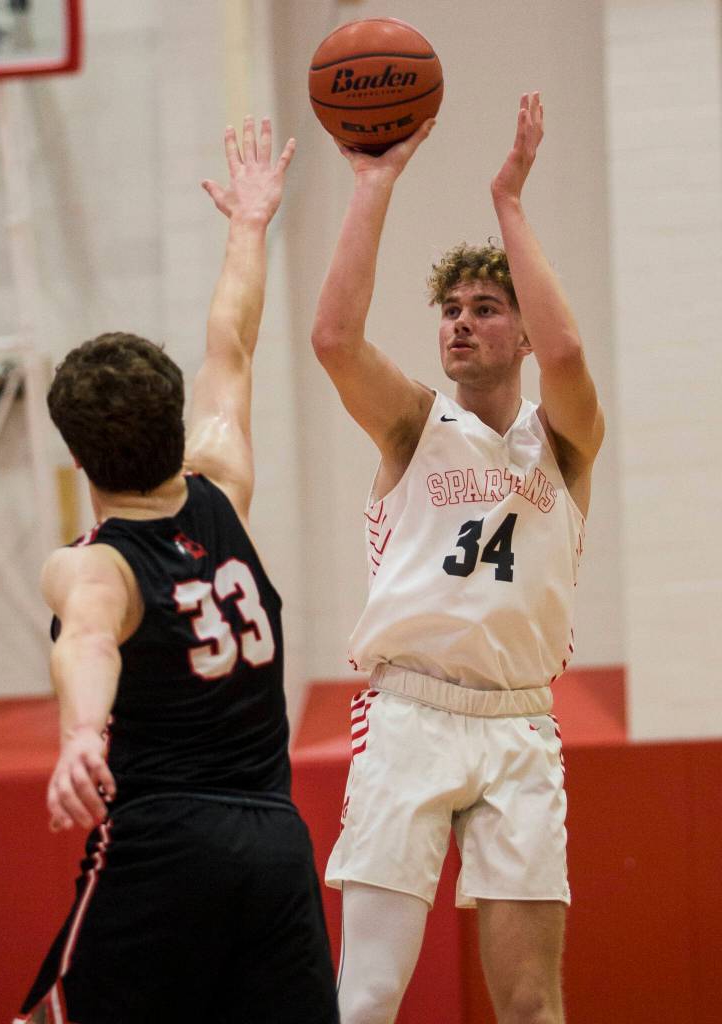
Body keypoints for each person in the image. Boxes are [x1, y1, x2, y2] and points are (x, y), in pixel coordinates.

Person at [15, 119, 339, 1024]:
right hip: (277, 848)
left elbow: (87, 639)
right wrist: (249, 225)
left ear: (79, 459)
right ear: (175, 421)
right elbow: (230, 344)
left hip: (162, 846)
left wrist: (82, 736)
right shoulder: (223, 486)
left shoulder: (97, 566)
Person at [311, 94, 604, 1024]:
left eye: (486, 309)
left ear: (518, 331)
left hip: (519, 725)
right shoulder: (413, 423)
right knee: (366, 999)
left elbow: (569, 349)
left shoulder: (563, 444)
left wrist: (509, 200)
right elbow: (332, 340)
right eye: (450, 310)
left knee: (530, 1003)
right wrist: (374, 182)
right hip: (410, 714)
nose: (461, 325)